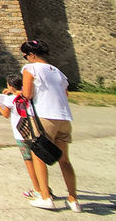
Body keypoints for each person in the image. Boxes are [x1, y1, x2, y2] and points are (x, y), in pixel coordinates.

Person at [21, 39, 79, 212]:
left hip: (44, 117)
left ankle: (45, 197)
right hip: (64, 118)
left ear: (31, 55)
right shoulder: (59, 72)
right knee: (65, 160)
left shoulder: (30, 69)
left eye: (26, 56)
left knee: (38, 155)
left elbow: (28, 94)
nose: (26, 59)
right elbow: (65, 94)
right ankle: (73, 199)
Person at [0, 74, 42, 201]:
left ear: (10, 86)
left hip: (21, 134)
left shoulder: (10, 99)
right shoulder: (30, 95)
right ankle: (45, 189)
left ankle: (37, 190)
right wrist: (12, 90)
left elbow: (5, 114)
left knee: (29, 161)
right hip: (35, 131)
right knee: (39, 161)